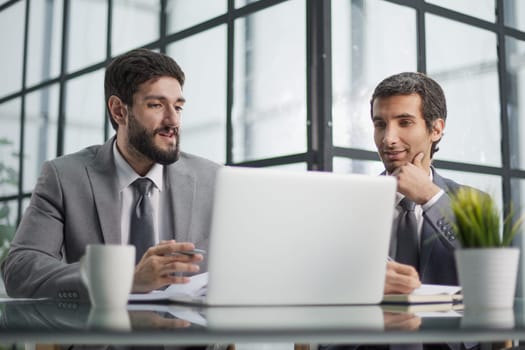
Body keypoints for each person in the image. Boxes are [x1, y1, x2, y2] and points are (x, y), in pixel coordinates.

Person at [1, 48, 220, 300]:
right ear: (118, 111)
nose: (173, 121)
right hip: (101, 337)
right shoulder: (64, 178)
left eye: (178, 107)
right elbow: (20, 269)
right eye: (156, 105)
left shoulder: (212, 179)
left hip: (188, 336)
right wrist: (123, 279)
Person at [374, 72, 469, 297]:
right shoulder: (350, 204)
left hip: (449, 331)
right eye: (380, 124)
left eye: (404, 122)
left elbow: (488, 270)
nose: (388, 138)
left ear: (436, 129)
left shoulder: (474, 203)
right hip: (374, 329)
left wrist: (430, 197)